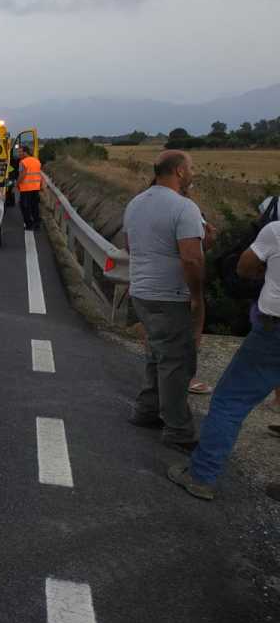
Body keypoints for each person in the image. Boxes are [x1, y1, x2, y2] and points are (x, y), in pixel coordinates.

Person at [169, 218, 280, 499]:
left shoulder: (276, 231)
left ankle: (201, 476)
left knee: (230, 401)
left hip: (273, 332)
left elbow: (243, 267)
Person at [123, 150, 204, 452]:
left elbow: (130, 246)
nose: (193, 172)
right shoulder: (185, 208)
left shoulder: (136, 203)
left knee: (157, 353)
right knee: (176, 361)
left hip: (141, 291)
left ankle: (146, 410)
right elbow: (192, 259)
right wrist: (196, 296)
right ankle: (178, 429)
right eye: (191, 168)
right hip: (170, 294)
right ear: (180, 171)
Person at [17, 146, 43, 230]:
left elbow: (22, 175)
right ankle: (37, 224)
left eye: (20, 152)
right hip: (36, 188)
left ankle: (29, 225)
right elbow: (39, 174)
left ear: (25, 152)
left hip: (26, 188)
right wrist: (41, 185)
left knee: (25, 207)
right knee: (34, 206)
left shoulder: (23, 162)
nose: (19, 154)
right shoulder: (37, 161)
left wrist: (16, 184)